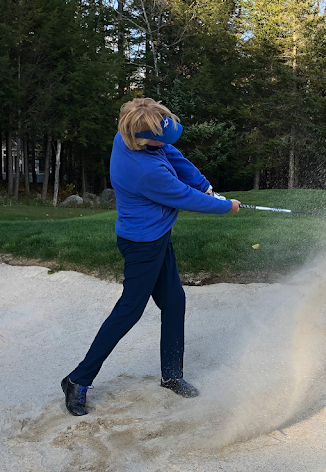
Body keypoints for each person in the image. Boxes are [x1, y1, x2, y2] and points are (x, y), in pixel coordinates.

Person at [61, 97, 239, 416]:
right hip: (142, 245)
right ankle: (77, 379)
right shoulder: (145, 172)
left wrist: (206, 186)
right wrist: (226, 205)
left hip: (157, 236)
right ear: (143, 139)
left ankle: (171, 375)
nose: (165, 143)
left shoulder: (131, 137)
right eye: (160, 137)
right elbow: (183, 197)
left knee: (174, 303)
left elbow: (173, 153)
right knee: (129, 311)